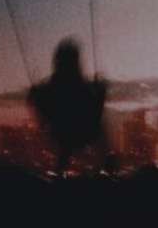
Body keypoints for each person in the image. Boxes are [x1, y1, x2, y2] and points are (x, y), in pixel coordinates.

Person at [27, 38, 108, 172]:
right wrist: (100, 93)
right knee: (97, 129)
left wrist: (36, 96)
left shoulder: (52, 87)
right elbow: (95, 113)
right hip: (80, 131)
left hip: (64, 132)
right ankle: (104, 164)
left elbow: (43, 116)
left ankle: (61, 168)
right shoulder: (81, 87)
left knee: (68, 141)